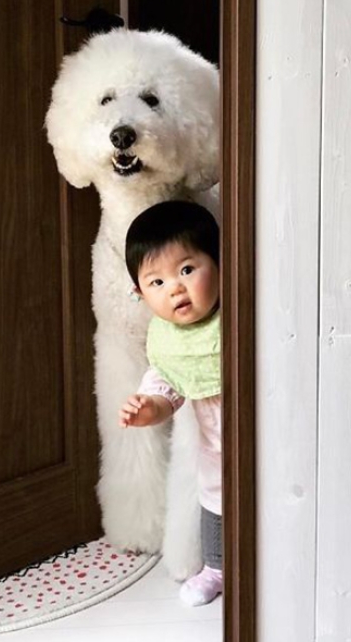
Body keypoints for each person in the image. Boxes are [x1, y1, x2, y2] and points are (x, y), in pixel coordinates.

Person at [119, 200, 223, 607]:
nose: (175, 288)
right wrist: (148, 408)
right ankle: (216, 568)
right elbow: (166, 386)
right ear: (139, 293)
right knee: (214, 499)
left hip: (267, 431)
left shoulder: (237, 314)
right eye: (156, 282)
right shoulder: (167, 341)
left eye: (186, 270)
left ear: (219, 262)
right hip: (216, 445)